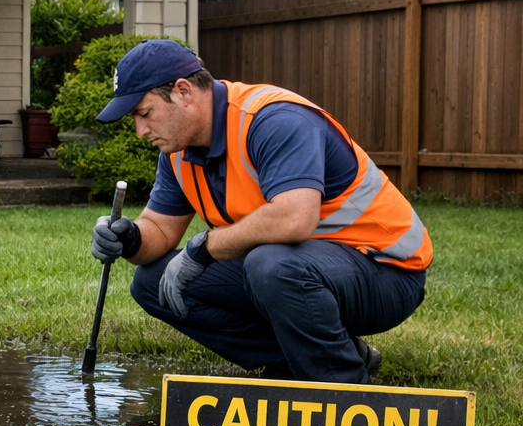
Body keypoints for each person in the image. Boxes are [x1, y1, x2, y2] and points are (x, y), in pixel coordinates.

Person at [88, 39, 430, 383]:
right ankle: (311, 356)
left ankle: (342, 390)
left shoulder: (273, 119)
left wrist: (204, 247)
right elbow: (159, 230)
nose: (140, 131)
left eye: (145, 113)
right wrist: (129, 238)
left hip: (385, 272)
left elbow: (294, 219)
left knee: (271, 264)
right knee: (152, 282)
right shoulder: (178, 151)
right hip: (302, 270)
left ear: (183, 91)